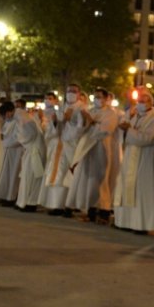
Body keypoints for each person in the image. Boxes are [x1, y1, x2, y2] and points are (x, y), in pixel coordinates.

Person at [66, 87, 119, 223]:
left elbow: (106, 130)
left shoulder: (110, 113)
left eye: (100, 97)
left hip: (102, 149)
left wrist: (92, 122)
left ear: (107, 99)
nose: (97, 99)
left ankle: (104, 213)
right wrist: (84, 122)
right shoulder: (90, 111)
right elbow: (81, 130)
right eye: (95, 97)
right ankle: (90, 212)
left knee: (101, 180)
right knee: (88, 181)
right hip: (87, 150)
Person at [113, 90, 154, 234]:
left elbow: (149, 139)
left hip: (145, 160)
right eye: (139, 101)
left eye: (144, 101)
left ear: (150, 103)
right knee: (127, 187)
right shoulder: (136, 116)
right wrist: (126, 128)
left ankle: (141, 225)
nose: (140, 103)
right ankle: (126, 221)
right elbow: (126, 130)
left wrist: (129, 130)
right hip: (130, 157)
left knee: (142, 191)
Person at [44, 85, 85, 215]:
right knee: (58, 176)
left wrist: (70, 121)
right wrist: (56, 122)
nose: (71, 93)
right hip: (59, 146)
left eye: (74, 91)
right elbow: (55, 125)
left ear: (79, 94)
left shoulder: (82, 108)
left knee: (69, 176)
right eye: (69, 91)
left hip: (72, 146)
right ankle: (57, 205)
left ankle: (69, 206)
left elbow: (82, 128)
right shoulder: (62, 107)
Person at [14, 100, 49, 212]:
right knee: (27, 178)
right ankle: (24, 202)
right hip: (31, 152)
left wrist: (19, 139)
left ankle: (31, 203)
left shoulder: (28, 123)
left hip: (35, 153)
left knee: (33, 178)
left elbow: (28, 137)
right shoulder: (26, 121)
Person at [0, 101, 22, 206]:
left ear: (8, 112)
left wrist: (4, 142)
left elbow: (19, 137)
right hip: (6, 151)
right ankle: (4, 196)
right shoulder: (9, 120)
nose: (5, 118)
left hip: (15, 152)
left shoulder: (19, 120)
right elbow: (4, 132)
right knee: (3, 175)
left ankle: (11, 198)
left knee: (12, 175)